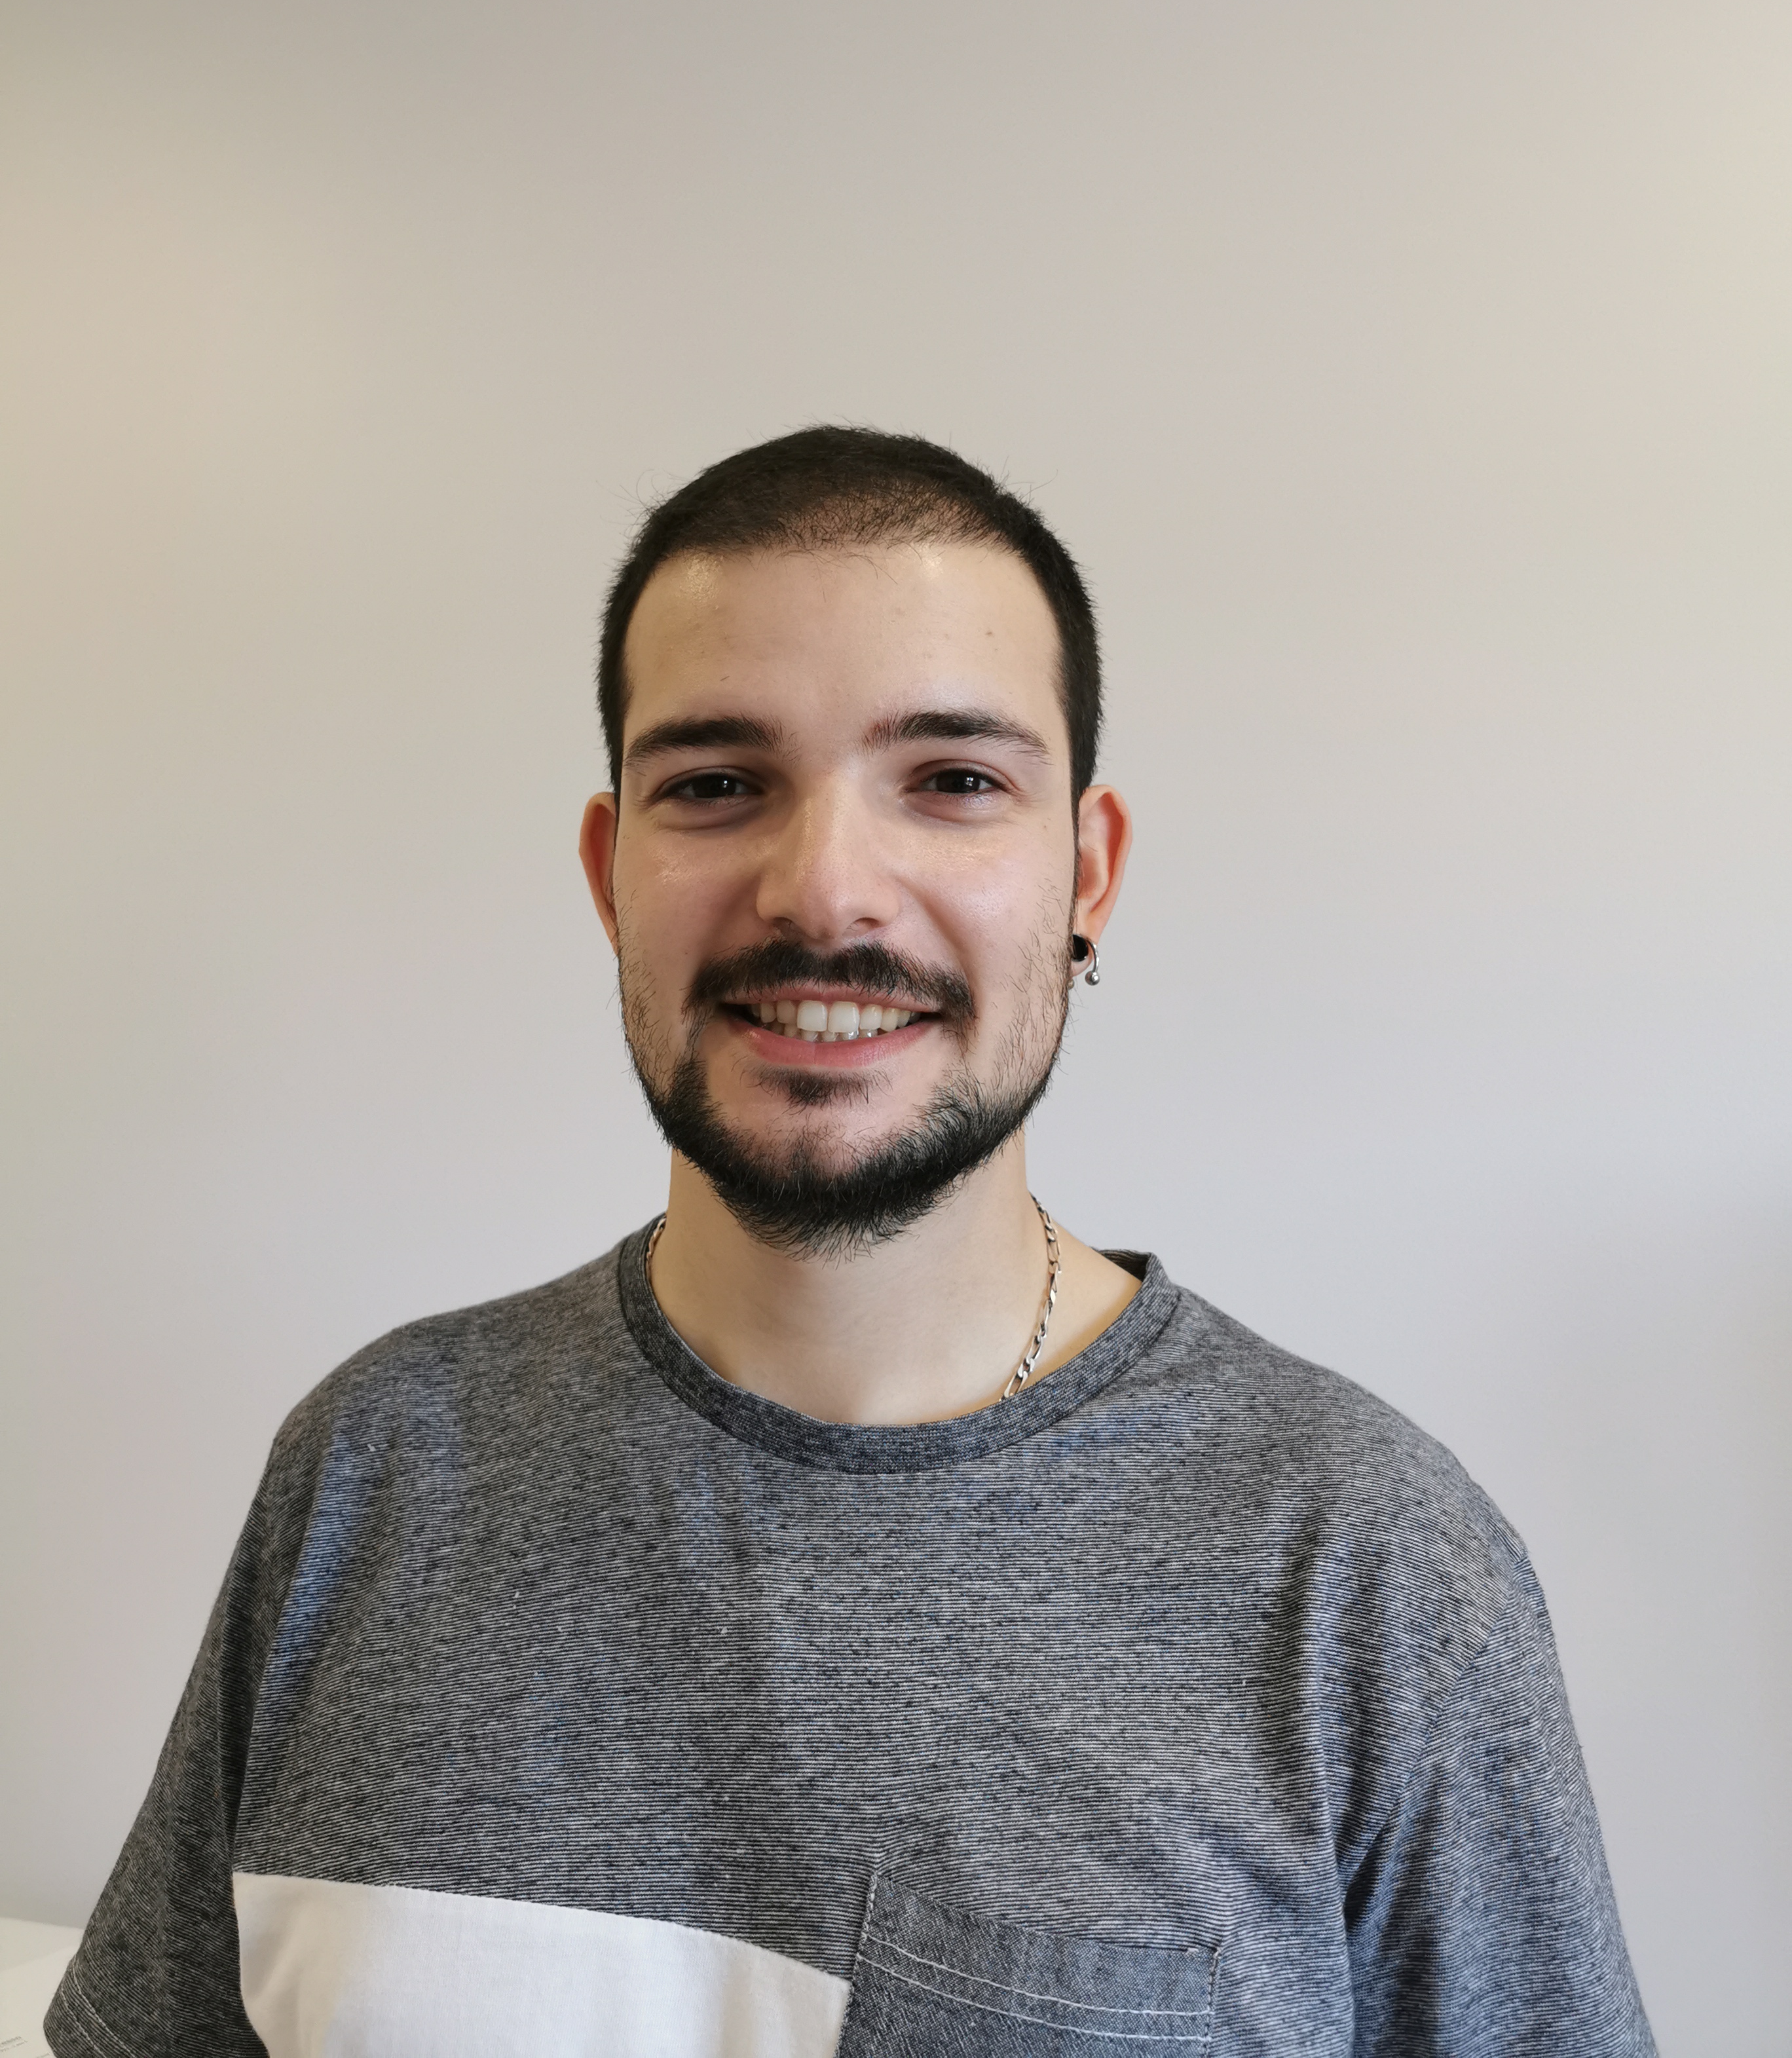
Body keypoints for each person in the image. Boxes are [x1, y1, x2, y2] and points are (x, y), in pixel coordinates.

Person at [48, 427, 1655, 2058]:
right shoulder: (375, 1464)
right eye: (716, 785)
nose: (823, 892)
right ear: (611, 875)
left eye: (953, 782)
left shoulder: (1367, 1571)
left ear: (1086, 874)